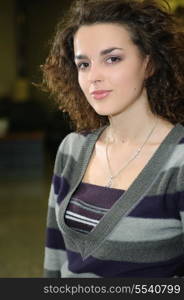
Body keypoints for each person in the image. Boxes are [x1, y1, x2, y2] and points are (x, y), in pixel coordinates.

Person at [41, 0, 184, 277]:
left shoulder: (178, 162)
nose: (94, 76)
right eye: (83, 64)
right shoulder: (72, 148)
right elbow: (55, 255)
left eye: (112, 59)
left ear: (149, 62)